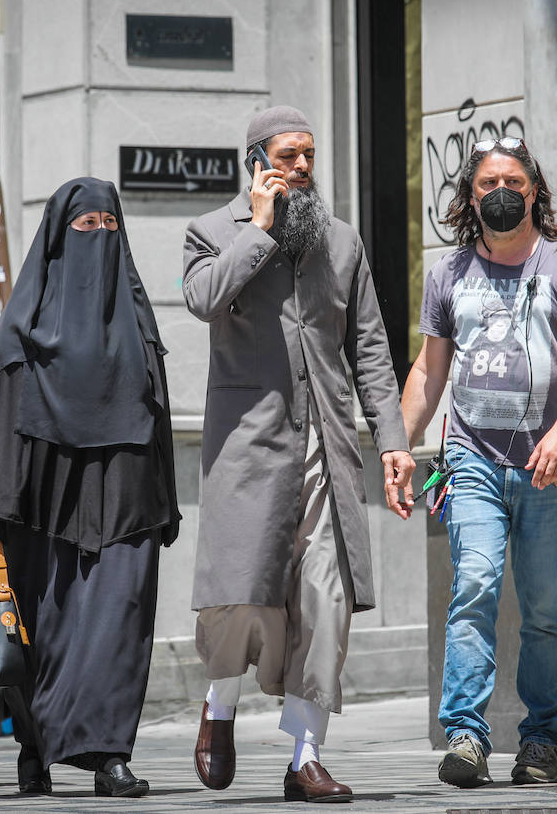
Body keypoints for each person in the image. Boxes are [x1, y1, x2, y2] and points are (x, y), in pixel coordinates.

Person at [182, 106, 415, 802]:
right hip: (248, 447)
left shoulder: (340, 243)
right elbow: (202, 298)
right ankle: (219, 705)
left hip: (329, 448)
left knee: (326, 599)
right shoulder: (212, 233)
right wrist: (257, 230)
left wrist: (394, 443)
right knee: (242, 596)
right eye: (289, 155)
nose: (304, 167)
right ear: (256, 162)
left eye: (310, 155)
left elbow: (370, 347)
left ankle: (306, 754)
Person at [399, 137, 557, 789]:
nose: (503, 190)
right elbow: (428, 368)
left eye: (515, 181)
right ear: (471, 196)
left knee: (545, 606)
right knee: (474, 585)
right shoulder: (448, 274)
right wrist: (397, 447)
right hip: (472, 460)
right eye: (489, 181)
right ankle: (466, 736)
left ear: (534, 191)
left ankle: (540, 741)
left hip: (550, 468)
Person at [0, 176, 180, 799]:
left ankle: (109, 754)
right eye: (86, 229)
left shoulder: (136, 320)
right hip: (42, 498)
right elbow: (2, 418)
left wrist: (164, 500)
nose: (100, 240)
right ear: (58, 241)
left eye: (111, 229)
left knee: (120, 618)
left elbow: (157, 407)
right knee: (46, 624)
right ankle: (38, 748)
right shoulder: (22, 329)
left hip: (128, 490)